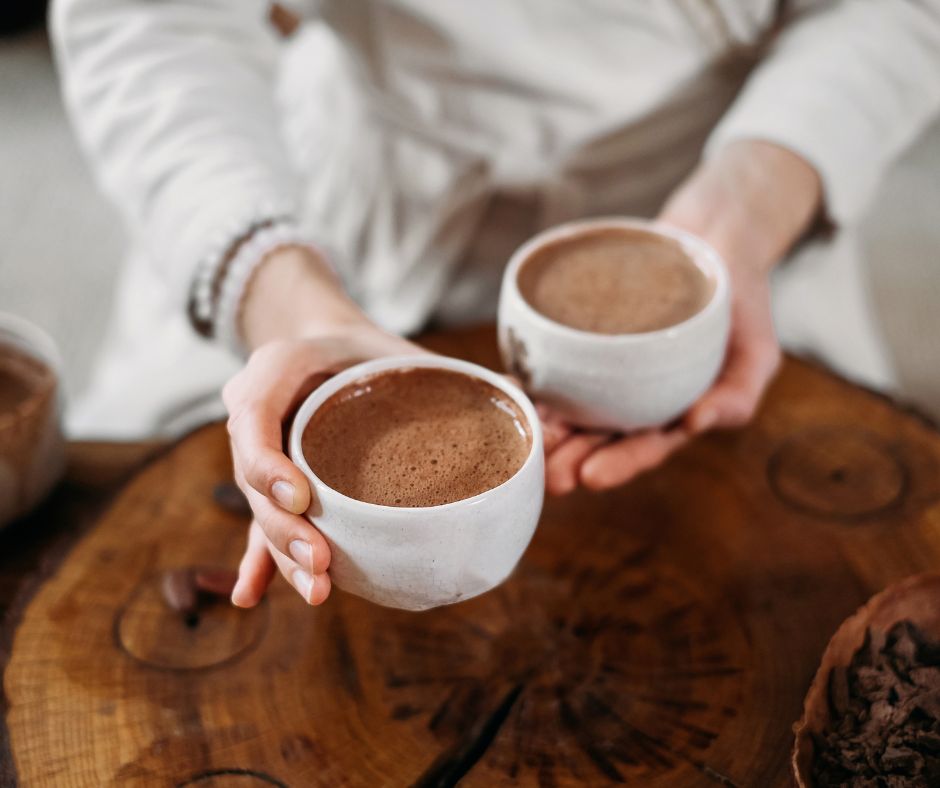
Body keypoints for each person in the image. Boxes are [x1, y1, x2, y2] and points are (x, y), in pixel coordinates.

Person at [52, 1, 940, 608]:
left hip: (733, 183)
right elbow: (149, 18)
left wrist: (744, 213)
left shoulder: (740, 214)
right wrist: (279, 295)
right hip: (340, 205)